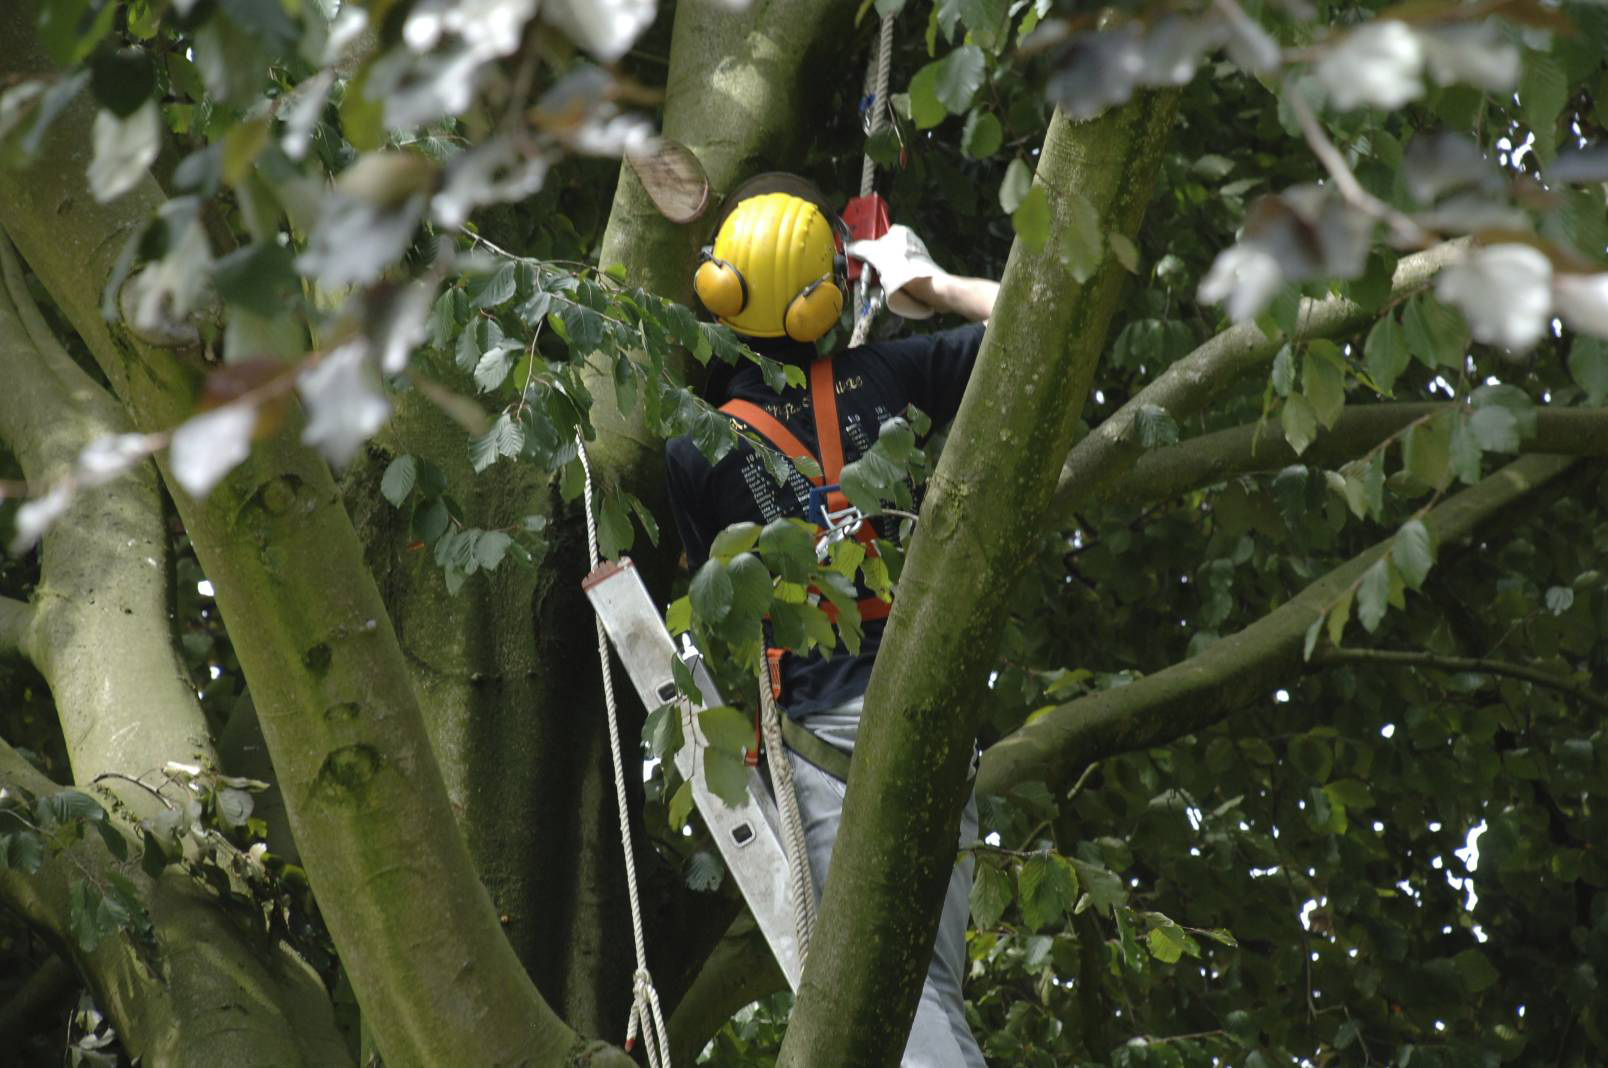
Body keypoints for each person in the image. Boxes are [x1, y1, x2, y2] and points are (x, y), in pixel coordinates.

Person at [663, 175, 998, 1068]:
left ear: (720, 295)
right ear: (827, 297)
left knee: (898, 996)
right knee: (929, 985)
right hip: (930, 708)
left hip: (822, 743)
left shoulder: (696, 449)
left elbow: (715, 610)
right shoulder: (893, 374)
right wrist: (925, 283)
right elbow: (1033, 326)